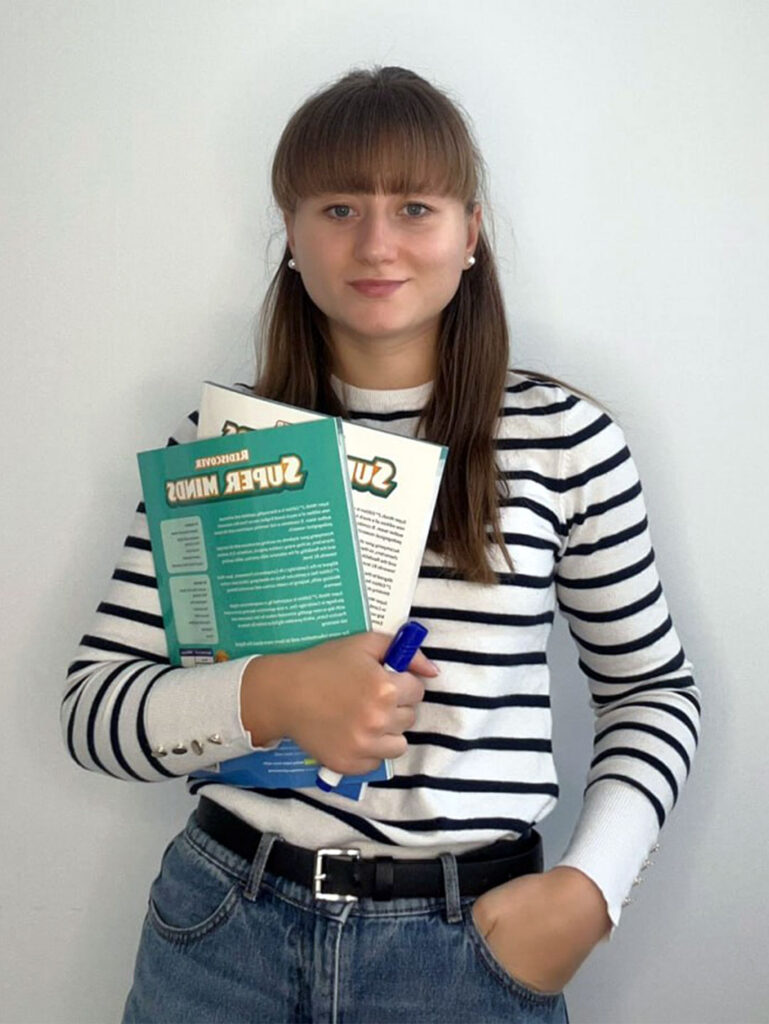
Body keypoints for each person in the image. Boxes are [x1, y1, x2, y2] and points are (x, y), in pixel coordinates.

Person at [62, 66, 701, 1024]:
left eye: (414, 207)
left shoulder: (563, 440)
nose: (375, 243)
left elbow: (651, 691)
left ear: (470, 233)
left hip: (469, 945)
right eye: (337, 208)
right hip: (223, 929)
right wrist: (272, 695)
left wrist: (590, 890)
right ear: (291, 236)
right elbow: (92, 710)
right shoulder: (220, 448)